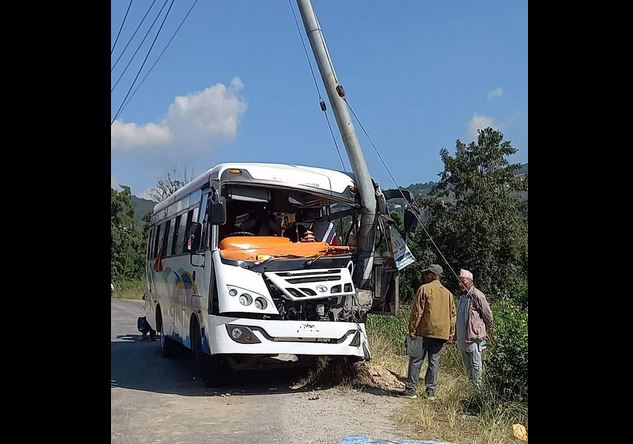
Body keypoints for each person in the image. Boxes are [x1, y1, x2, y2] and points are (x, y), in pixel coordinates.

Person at [399, 264, 456, 400]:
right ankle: (430, 392)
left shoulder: (424, 289)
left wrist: (412, 329)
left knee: (416, 360)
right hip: (441, 333)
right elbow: (452, 316)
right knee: (434, 362)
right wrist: (450, 335)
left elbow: (417, 312)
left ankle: (411, 390)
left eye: (427, 274)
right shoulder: (448, 294)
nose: (425, 276)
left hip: (424, 331)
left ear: (433, 275)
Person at [456, 269, 493, 390]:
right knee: (468, 367)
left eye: (463, 281)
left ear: (470, 281)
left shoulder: (477, 295)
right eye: (459, 281)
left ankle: (477, 391)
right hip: (463, 339)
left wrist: (485, 330)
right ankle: (471, 389)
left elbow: (488, 316)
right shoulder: (462, 297)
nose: (461, 284)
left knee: (476, 365)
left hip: (474, 338)